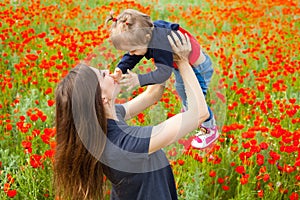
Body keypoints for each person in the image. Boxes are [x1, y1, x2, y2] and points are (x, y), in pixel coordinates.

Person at [53, 32, 209, 200]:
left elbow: (153, 94)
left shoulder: (107, 120)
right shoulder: (126, 145)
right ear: (101, 98)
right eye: (103, 75)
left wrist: (159, 50)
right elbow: (199, 113)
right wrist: (182, 61)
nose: (108, 70)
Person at [106, 9, 219, 149]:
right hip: (183, 65)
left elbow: (164, 73)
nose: (131, 54)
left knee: (194, 99)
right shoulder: (145, 34)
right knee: (180, 89)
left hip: (199, 69)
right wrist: (120, 69)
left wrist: (139, 80)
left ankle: (209, 127)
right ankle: (187, 107)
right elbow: (134, 55)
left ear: (147, 38)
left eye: (133, 50)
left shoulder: (161, 43)